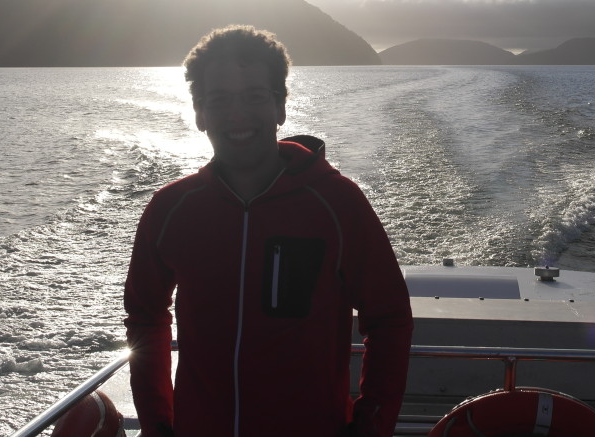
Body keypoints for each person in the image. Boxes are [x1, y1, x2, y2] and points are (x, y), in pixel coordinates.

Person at [124, 26, 413, 437]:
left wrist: (371, 426)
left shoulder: (337, 204)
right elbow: (145, 315)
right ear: (199, 113)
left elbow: (389, 319)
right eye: (220, 100)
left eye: (255, 97)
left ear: (280, 107)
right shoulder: (172, 209)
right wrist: (156, 422)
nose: (237, 114)